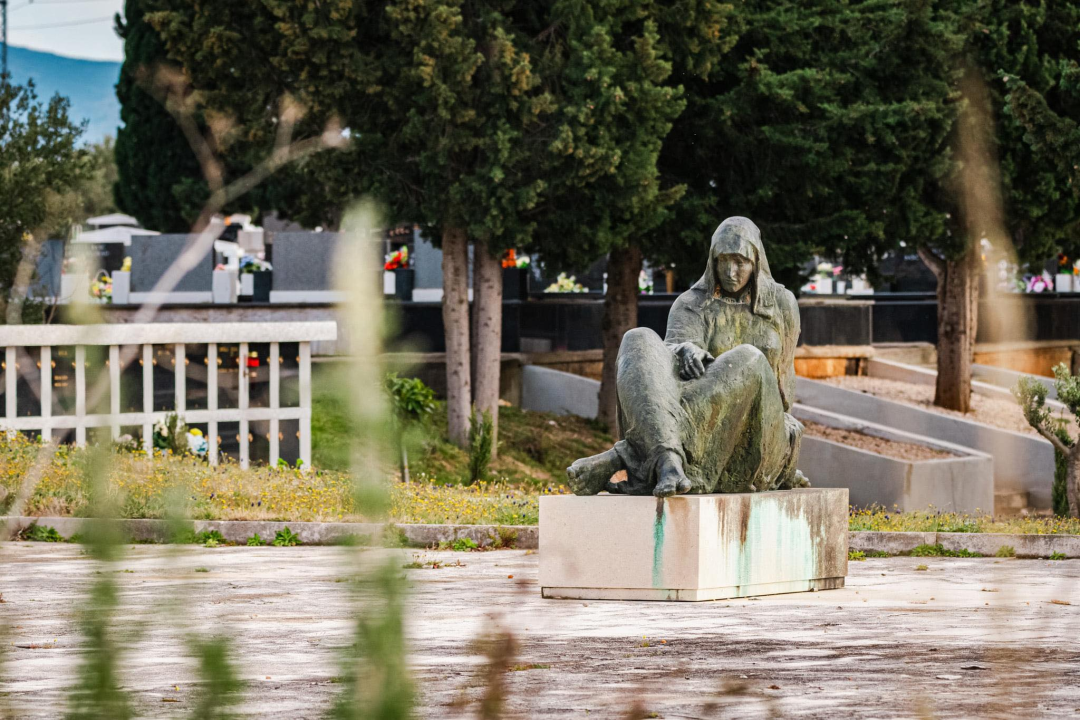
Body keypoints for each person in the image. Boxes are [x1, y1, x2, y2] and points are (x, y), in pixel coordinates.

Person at [567, 217, 808, 497]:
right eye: (723, 260)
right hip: (694, 410)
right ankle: (669, 462)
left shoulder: (781, 303)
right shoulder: (691, 303)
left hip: (759, 429)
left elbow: (784, 385)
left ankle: (625, 456)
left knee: (748, 359)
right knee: (638, 337)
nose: (731, 271)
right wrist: (683, 349)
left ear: (756, 261)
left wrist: (785, 441)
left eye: (740, 261)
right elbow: (662, 379)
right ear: (712, 261)